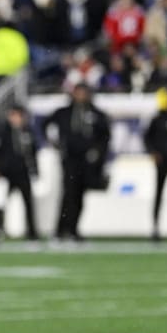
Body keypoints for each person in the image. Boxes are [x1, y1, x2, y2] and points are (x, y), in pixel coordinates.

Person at [43, 82, 111, 242]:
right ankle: (61, 230)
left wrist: (97, 153)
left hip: (87, 161)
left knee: (80, 195)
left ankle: (73, 229)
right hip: (69, 159)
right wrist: (52, 141)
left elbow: (105, 136)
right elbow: (45, 125)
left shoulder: (95, 113)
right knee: (68, 194)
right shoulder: (64, 112)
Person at [0, 104, 41, 241]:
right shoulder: (3, 132)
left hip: (23, 172)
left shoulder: (27, 131)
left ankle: (32, 232)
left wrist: (35, 170)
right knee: (1, 203)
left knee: (28, 203)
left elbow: (32, 153)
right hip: (7, 173)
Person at [144, 87, 167, 241]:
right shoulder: (158, 118)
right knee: (159, 195)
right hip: (163, 162)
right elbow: (147, 138)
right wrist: (153, 152)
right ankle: (155, 227)